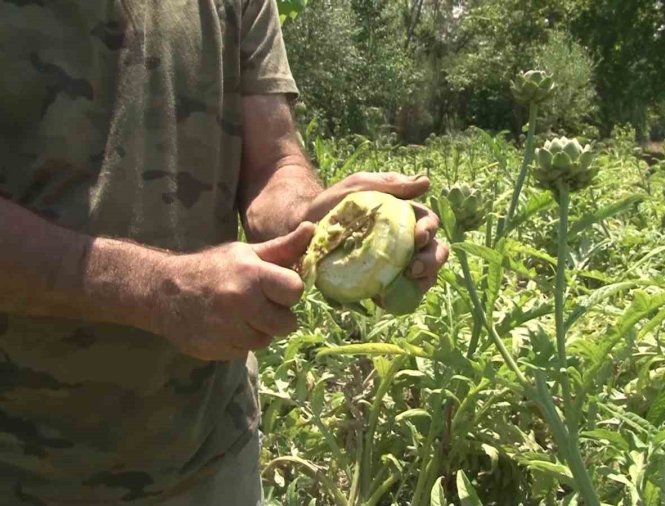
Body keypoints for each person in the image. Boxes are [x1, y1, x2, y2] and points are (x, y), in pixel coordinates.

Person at [0, 0, 449, 504]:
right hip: (28, 467)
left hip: (213, 451)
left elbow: (272, 163)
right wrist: (155, 289)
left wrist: (316, 218)